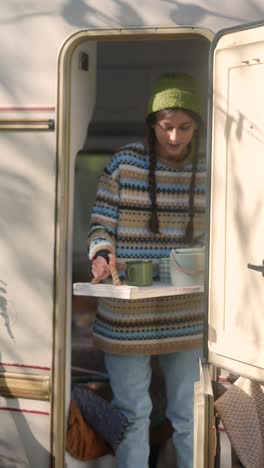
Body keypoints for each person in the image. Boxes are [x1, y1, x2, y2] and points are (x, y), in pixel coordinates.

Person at [87, 72, 207, 468]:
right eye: (166, 127)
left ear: (197, 126)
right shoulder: (124, 163)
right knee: (132, 414)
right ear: (152, 124)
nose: (175, 137)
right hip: (126, 314)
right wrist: (101, 255)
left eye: (184, 127)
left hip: (185, 314)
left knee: (190, 417)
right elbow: (101, 224)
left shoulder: (211, 170)